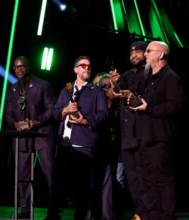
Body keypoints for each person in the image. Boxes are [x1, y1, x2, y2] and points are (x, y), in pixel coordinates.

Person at [129, 41, 184, 220]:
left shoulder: (171, 77)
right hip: (145, 136)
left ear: (160, 55)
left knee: (163, 179)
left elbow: (176, 106)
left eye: (149, 51)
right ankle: (151, 215)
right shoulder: (149, 77)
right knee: (147, 179)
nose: (145, 54)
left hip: (161, 138)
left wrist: (149, 107)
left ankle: (167, 216)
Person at [49, 56, 109, 220]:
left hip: (83, 146)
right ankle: (53, 216)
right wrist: (65, 110)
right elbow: (54, 113)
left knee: (82, 188)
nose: (87, 68)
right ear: (75, 69)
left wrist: (85, 121)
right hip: (64, 145)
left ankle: (80, 216)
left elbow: (104, 115)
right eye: (83, 65)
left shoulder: (95, 91)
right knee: (57, 186)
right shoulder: (66, 90)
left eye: (89, 66)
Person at [5, 55, 56, 219]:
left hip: (42, 134)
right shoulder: (12, 88)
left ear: (28, 67)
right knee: (22, 174)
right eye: (16, 67)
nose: (19, 69)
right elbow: (8, 113)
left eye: (22, 66)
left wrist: (36, 122)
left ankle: (53, 210)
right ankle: (25, 209)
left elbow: (52, 109)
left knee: (50, 173)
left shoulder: (43, 85)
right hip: (22, 137)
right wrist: (15, 124)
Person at [109, 41, 148, 220]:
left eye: (138, 52)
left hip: (143, 133)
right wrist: (115, 84)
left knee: (143, 177)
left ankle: (146, 212)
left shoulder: (151, 73)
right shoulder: (125, 74)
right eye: (131, 53)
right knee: (131, 178)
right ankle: (138, 211)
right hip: (127, 134)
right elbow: (117, 95)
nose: (134, 55)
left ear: (146, 53)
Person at [91, 72, 121, 220]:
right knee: (93, 182)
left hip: (112, 149)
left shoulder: (118, 104)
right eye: (103, 86)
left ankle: (107, 216)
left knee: (109, 181)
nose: (107, 89)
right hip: (94, 147)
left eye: (110, 86)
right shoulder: (94, 103)